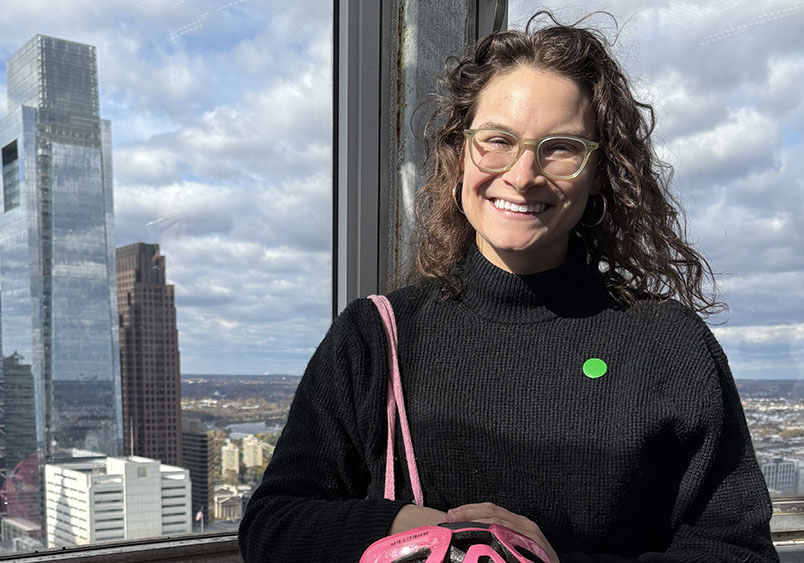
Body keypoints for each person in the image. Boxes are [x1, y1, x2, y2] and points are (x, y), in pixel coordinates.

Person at [238, 11, 778, 563]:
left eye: (560, 147)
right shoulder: (378, 336)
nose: (522, 175)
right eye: (497, 140)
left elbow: (739, 552)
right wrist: (421, 532)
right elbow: (273, 526)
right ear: (458, 153)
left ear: (600, 173)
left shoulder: (668, 346)